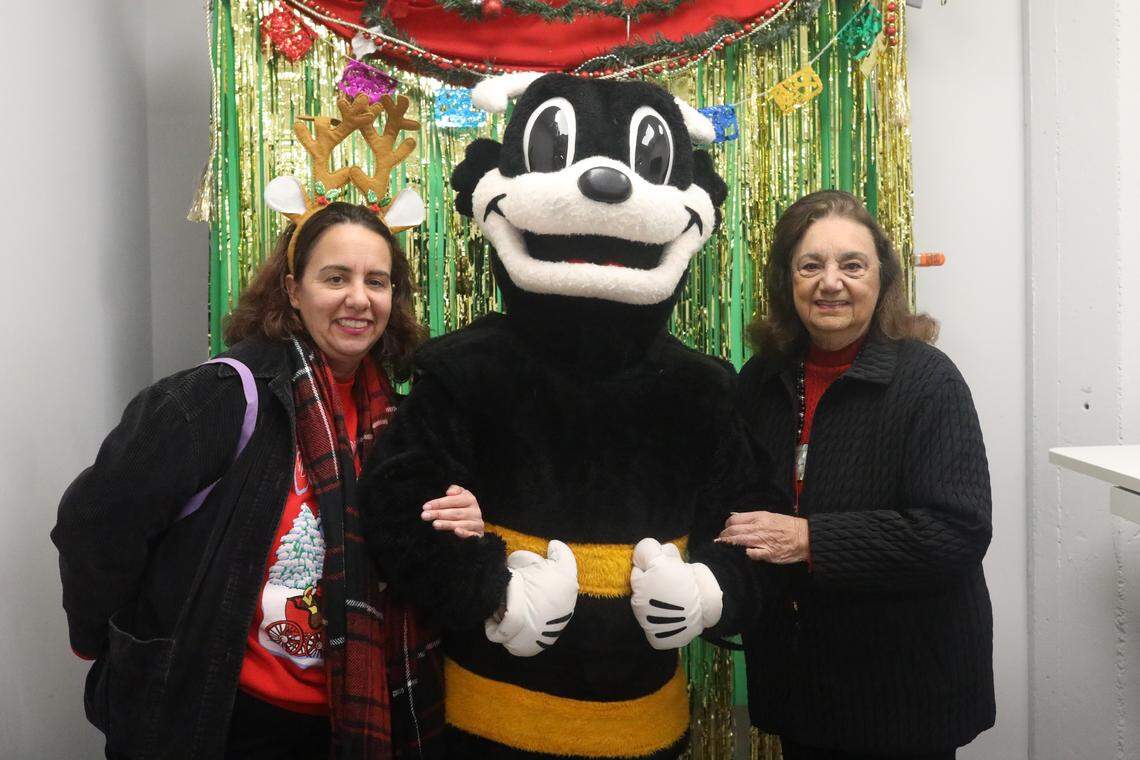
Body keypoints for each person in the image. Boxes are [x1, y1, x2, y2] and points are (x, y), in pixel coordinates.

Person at [51, 202, 484, 759]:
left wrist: (462, 522)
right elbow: (95, 521)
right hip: (221, 721)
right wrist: (102, 644)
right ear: (292, 290)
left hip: (348, 728)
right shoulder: (223, 398)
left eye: (377, 281)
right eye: (335, 277)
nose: (359, 298)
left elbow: (421, 569)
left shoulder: (402, 426)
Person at [719, 190, 995, 760]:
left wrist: (810, 540)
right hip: (801, 684)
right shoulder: (759, 381)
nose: (831, 282)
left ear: (881, 279)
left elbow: (956, 532)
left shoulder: (929, 382)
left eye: (852, 265)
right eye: (811, 265)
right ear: (786, 279)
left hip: (906, 693)